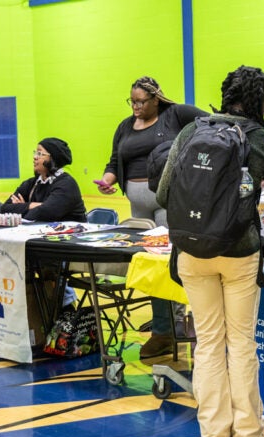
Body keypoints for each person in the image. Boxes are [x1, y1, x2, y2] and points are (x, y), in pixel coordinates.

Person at [157, 65, 264, 437]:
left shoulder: (193, 130)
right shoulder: (261, 139)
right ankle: (247, 434)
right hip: (239, 250)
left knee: (207, 343)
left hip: (191, 251)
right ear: (262, 101)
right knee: (241, 343)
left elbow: (162, 194)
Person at [97, 76, 207, 358]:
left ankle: (171, 327)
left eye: (141, 102)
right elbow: (114, 160)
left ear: (156, 99)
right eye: (131, 101)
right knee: (149, 262)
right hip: (137, 205)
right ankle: (164, 323)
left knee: (166, 262)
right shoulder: (125, 126)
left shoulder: (175, 114)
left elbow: (210, 124)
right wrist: (108, 180)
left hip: (167, 199)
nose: (135, 107)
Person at [0, 138, 86, 222]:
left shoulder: (66, 185)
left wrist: (21, 207)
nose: (35, 157)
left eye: (40, 153)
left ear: (53, 158)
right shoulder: (31, 183)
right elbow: (4, 209)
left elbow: (44, 213)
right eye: (35, 153)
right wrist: (32, 205)